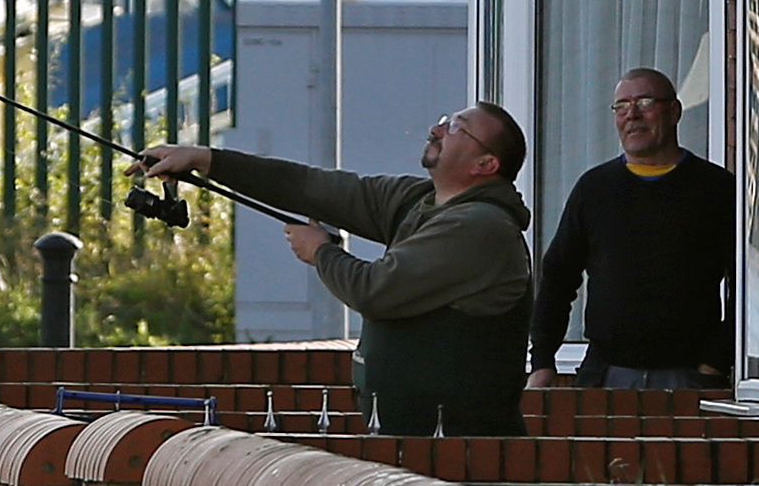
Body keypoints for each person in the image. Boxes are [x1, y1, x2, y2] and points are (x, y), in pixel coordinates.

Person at [133, 102, 537, 436]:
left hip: (462, 446)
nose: (437, 128)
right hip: (417, 437)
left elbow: (375, 292)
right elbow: (311, 187)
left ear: (485, 163)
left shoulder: (478, 228)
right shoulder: (419, 201)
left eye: (457, 129)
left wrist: (321, 253)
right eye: (448, 119)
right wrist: (206, 159)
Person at [527, 68, 735, 391]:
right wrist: (542, 362)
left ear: (674, 111)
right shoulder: (594, 190)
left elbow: (748, 287)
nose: (632, 115)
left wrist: (716, 360)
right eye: (621, 106)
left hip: (690, 376)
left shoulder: (716, 189)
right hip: (607, 373)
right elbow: (557, 278)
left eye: (645, 102)